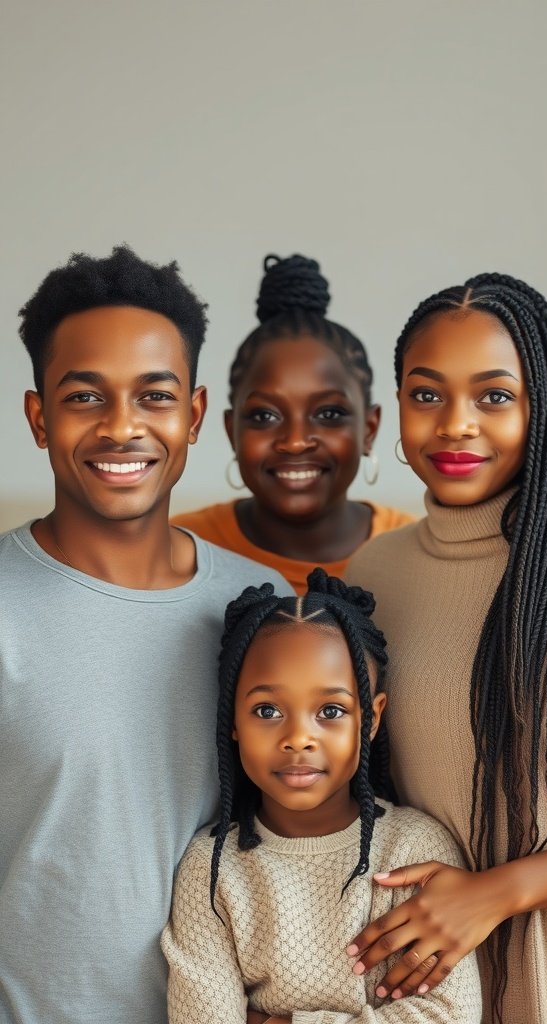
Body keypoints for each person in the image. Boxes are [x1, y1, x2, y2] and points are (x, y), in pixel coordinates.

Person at [0, 245, 292, 1024]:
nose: (122, 427)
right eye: (85, 397)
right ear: (39, 418)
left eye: (153, 396)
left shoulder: (260, 606)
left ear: (193, 417)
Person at [345, 273, 547, 1024]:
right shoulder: (374, 573)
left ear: (543, 408)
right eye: (427, 393)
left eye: (495, 396)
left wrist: (498, 893)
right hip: (425, 994)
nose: (456, 424)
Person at [161, 569, 482, 1023]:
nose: (298, 738)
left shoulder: (414, 849)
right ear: (232, 718)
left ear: (370, 720)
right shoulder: (211, 869)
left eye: (330, 711)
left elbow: (451, 1016)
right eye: (267, 710)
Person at [172, 254, 413, 593]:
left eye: (329, 414)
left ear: (369, 429)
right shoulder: (178, 552)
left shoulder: (416, 560)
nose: (296, 441)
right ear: (231, 432)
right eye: (264, 416)